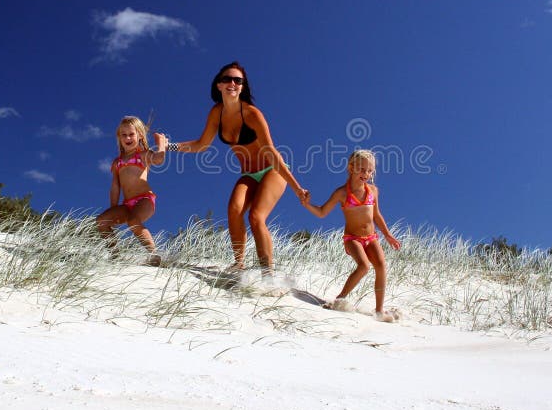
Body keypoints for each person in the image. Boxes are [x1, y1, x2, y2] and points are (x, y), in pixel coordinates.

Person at [164, 61, 308, 276]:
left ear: (242, 86)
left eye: (237, 80)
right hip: (249, 174)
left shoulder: (252, 114)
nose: (232, 83)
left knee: (256, 217)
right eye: (227, 79)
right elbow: (201, 145)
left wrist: (297, 187)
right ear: (219, 85)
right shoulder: (217, 113)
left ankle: (268, 275)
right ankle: (239, 265)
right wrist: (169, 146)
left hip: (273, 170)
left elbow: (271, 151)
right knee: (234, 209)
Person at [301, 149, 401, 322]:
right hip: (352, 239)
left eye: (370, 171)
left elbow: (377, 216)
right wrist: (307, 205)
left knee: (381, 266)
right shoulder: (342, 193)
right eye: (362, 169)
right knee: (364, 266)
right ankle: (340, 299)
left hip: (371, 238)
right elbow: (322, 212)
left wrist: (388, 235)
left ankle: (379, 311)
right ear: (351, 167)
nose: (366, 174)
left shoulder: (373, 191)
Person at [97, 116, 167, 262]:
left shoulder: (143, 155)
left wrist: (161, 145)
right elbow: (115, 187)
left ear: (139, 135)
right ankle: (115, 256)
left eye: (131, 134)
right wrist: (113, 209)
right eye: (124, 134)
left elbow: (159, 160)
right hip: (127, 204)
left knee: (133, 221)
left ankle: (154, 255)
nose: (128, 137)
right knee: (102, 221)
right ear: (119, 137)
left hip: (145, 199)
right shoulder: (117, 163)